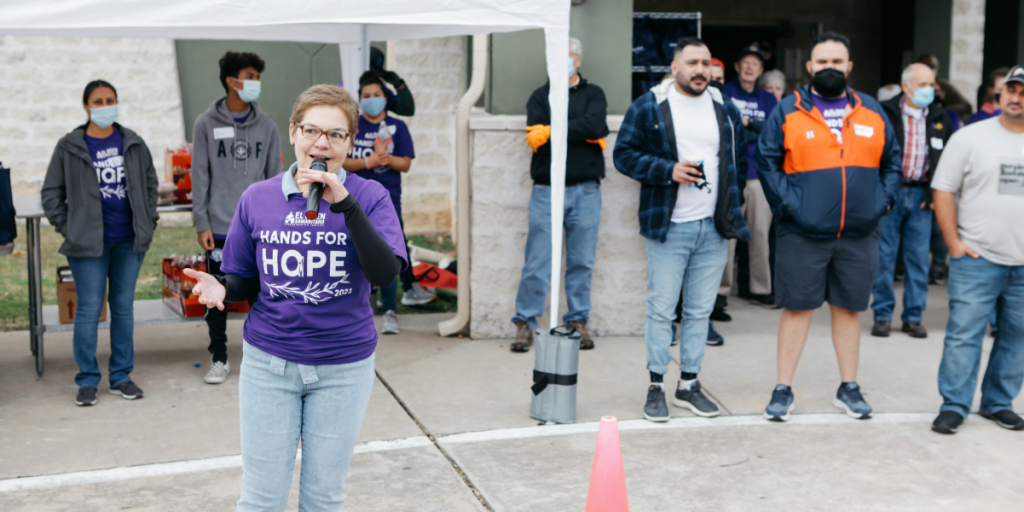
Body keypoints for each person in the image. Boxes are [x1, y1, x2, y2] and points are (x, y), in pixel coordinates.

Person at [184, 84, 408, 508]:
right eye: (311, 130)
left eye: (336, 135)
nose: (322, 142)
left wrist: (344, 203)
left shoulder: (370, 197)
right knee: (261, 497)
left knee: (323, 497)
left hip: (344, 368)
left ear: (348, 142)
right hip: (270, 365)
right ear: (293, 134)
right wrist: (223, 288)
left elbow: (383, 273)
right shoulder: (258, 199)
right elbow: (246, 281)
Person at [756, 32, 902, 422]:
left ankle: (848, 387)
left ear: (849, 67)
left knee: (849, 309)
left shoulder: (872, 110)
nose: (830, 68)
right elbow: (767, 161)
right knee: (797, 309)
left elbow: (892, 161)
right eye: (822, 62)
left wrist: (881, 202)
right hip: (802, 233)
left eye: (837, 62)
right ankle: (783, 389)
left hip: (857, 233)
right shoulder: (787, 110)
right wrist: (789, 206)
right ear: (809, 67)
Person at [614, 37, 750, 422]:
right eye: (692, 62)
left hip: (713, 225)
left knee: (700, 311)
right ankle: (656, 385)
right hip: (670, 225)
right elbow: (622, 154)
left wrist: (731, 209)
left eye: (706, 63)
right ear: (674, 67)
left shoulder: (724, 107)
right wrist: (667, 170)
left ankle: (688, 384)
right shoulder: (650, 105)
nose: (700, 70)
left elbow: (734, 160)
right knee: (661, 310)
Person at [42, 80, 159, 406]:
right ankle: (87, 380)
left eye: (110, 100)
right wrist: (70, 228)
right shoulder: (69, 146)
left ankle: (121, 376)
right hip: (88, 244)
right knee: (89, 309)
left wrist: (148, 221)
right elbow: (51, 194)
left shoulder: (133, 142)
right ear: (86, 106)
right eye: (98, 101)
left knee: (122, 309)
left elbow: (151, 185)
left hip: (129, 240)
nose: (105, 105)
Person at [930, 65, 1024, 435]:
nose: (1016, 97)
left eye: (1023, 91)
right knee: (963, 335)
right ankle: (954, 405)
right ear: (999, 94)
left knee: (1017, 337)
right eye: (1011, 90)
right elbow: (943, 189)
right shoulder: (970, 138)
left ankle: (998, 402)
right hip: (977, 258)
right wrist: (953, 243)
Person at [511, 37, 609, 352]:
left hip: (586, 191)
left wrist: (553, 130)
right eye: (555, 57)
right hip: (546, 191)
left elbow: (595, 126)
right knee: (537, 261)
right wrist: (575, 131)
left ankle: (578, 321)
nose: (561, 62)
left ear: (577, 60)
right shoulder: (540, 96)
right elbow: (535, 134)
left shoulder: (594, 94)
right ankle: (525, 323)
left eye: (566, 57)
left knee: (582, 261)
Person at [191, 51, 282, 385]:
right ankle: (219, 357)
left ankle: (271, 353)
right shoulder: (205, 123)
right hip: (219, 226)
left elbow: (276, 177)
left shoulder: (268, 125)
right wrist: (201, 223)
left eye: (258, 76)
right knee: (218, 296)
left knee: (266, 293)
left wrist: (278, 220)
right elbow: (199, 176)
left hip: (259, 227)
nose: (255, 82)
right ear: (232, 81)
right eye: (250, 75)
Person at [870, 64, 953, 338]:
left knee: (918, 258)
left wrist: (934, 193)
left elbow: (945, 160)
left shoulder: (940, 116)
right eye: (924, 84)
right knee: (884, 256)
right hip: (890, 192)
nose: (931, 89)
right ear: (906, 87)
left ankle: (913, 316)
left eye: (932, 83)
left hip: (921, 196)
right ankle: (882, 314)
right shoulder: (884, 111)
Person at [342, 71, 419, 335]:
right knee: (353, 251)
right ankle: (360, 304)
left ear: (385, 98)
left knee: (388, 252)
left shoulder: (398, 127)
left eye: (377, 95)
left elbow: (405, 163)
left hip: (388, 200)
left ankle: (390, 311)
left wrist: (386, 159)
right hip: (352, 199)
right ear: (359, 100)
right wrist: (368, 162)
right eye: (366, 96)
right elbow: (341, 161)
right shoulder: (352, 126)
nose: (372, 100)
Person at [724, 43, 779, 309]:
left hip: (759, 177)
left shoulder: (768, 99)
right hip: (731, 175)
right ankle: (720, 292)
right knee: (727, 238)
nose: (749, 67)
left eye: (755, 64)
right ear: (737, 67)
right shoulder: (725, 92)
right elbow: (726, 127)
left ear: (761, 70)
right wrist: (750, 129)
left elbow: (774, 131)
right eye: (745, 62)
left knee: (760, 236)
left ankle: (760, 289)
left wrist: (746, 123)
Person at [369, 46, 416, 117]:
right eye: (370, 75)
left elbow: (407, 110)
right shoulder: (347, 87)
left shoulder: (382, 91)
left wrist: (399, 85)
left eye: (378, 75)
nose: (375, 79)